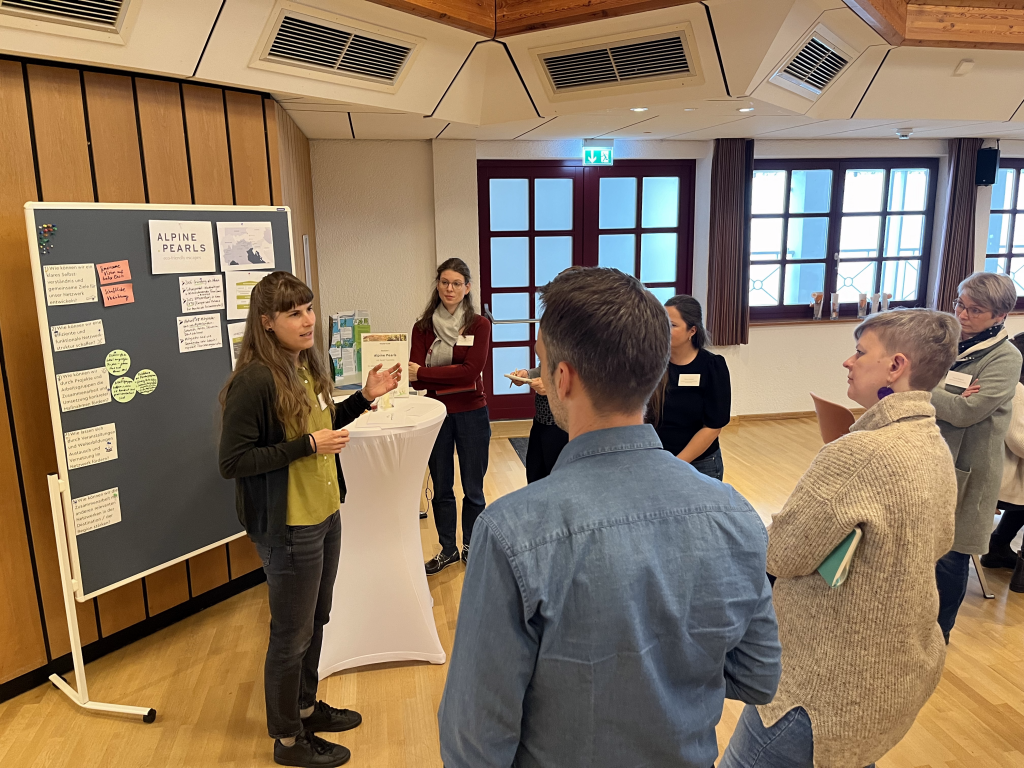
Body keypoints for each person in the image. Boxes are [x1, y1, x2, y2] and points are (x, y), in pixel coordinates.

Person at [438, 267, 781, 768]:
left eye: (542, 361)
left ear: (561, 378)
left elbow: (474, 741)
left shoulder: (512, 532)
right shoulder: (735, 514)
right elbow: (757, 675)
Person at [719, 308, 959, 768]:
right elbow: (942, 542)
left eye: (859, 351)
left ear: (896, 366)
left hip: (819, 688)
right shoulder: (932, 443)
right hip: (892, 678)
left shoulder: (860, 453)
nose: (848, 362)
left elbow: (782, 554)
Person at [219, 272, 401, 768]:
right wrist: (306, 447)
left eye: (308, 308)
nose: (306, 320)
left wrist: (365, 397)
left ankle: (304, 707)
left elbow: (323, 427)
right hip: (290, 526)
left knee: (315, 620)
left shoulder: (305, 366)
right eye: (293, 313)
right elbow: (232, 462)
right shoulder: (255, 379)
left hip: (324, 514)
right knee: (290, 635)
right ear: (266, 323)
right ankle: (287, 739)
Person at [932, 272, 1021, 640]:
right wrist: (943, 395)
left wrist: (922, 386)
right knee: (922, 552)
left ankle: (940, 636)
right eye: (960, 305)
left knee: (951, 557)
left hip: (970, 472)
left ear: (999, 316)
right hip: (931, 459)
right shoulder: (944, 342)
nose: (962, 315)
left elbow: (966, 412)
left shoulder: (1005, 358)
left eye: (975, 310)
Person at [409, 258, 492, 574]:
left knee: (474, 487)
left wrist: (429, 373)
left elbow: (473, 371)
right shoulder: (422, 327)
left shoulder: (478, 325)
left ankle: (471, 545)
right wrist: (450, 375)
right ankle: (447, 550)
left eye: (457, 283)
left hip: (472, 413)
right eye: (445, 282)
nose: (450, 288)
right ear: (438, 285)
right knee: (442, 487)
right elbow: (413, 377)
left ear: (467, 287)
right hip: (436, 416)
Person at [647, 294, 731, 480]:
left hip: (701, 465)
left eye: (673, 325)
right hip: (656, 461)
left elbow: (714, 425)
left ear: (692, 331)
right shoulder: (652, 364)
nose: (664, 330)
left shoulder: (712, 366)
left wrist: (677, 464)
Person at [977, 331, 1024, 591]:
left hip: (996, 470)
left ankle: (998, 546)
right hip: (998, 478)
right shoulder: (1016, 389)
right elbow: (1019, 441)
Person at [511, 332, 568, 483]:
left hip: (563, 424)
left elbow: (584, 380)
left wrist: (551, 386)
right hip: (541, 420)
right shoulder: (550, 327)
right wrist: (527, 374)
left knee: (557, 481)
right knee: (535, 477)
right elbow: (545, 368)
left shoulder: (579, 333)